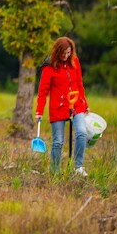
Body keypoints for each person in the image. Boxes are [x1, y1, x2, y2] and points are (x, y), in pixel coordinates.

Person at [35, 36, 90, 176]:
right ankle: (55, 171)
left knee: (82, 133)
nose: (66, 56)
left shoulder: (75, 62)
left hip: (76, 104)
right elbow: (43, 91)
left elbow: (79, 84)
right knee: (58, 141)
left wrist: (84, 102)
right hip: (58, 107)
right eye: (63, 53)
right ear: (57, 52)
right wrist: (39, 110)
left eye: (69, 52)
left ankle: (78, 167)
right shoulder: (49, 67)